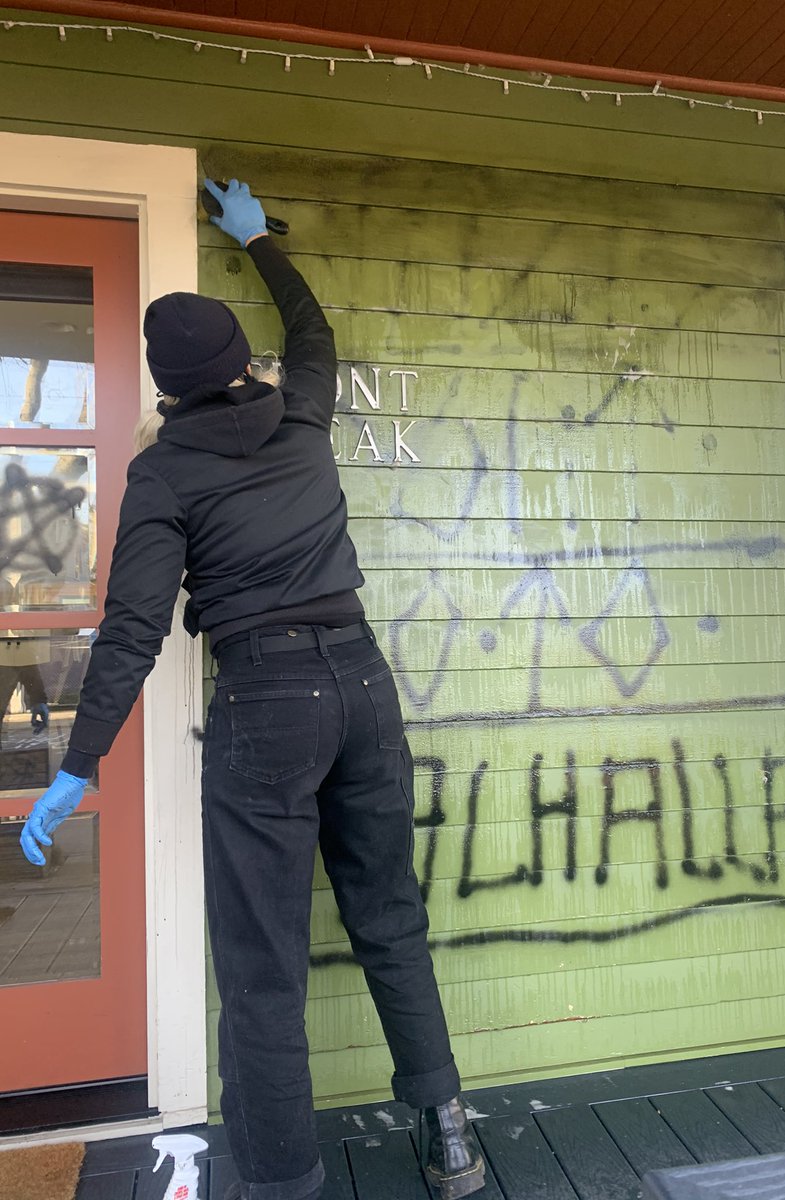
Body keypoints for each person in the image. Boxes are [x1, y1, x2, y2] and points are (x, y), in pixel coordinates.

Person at [19, 179, 485, 1200]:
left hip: (267, 702)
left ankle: (283, 1182)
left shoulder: (162, 475)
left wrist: (78, 766)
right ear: (241, 362)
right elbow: (314, 334)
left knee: (263, 965)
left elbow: (133, 631)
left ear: (166, 388)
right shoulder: (302, 416)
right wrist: (258, 241)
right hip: (364, 683)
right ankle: (450, 1134)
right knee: (390, 916)